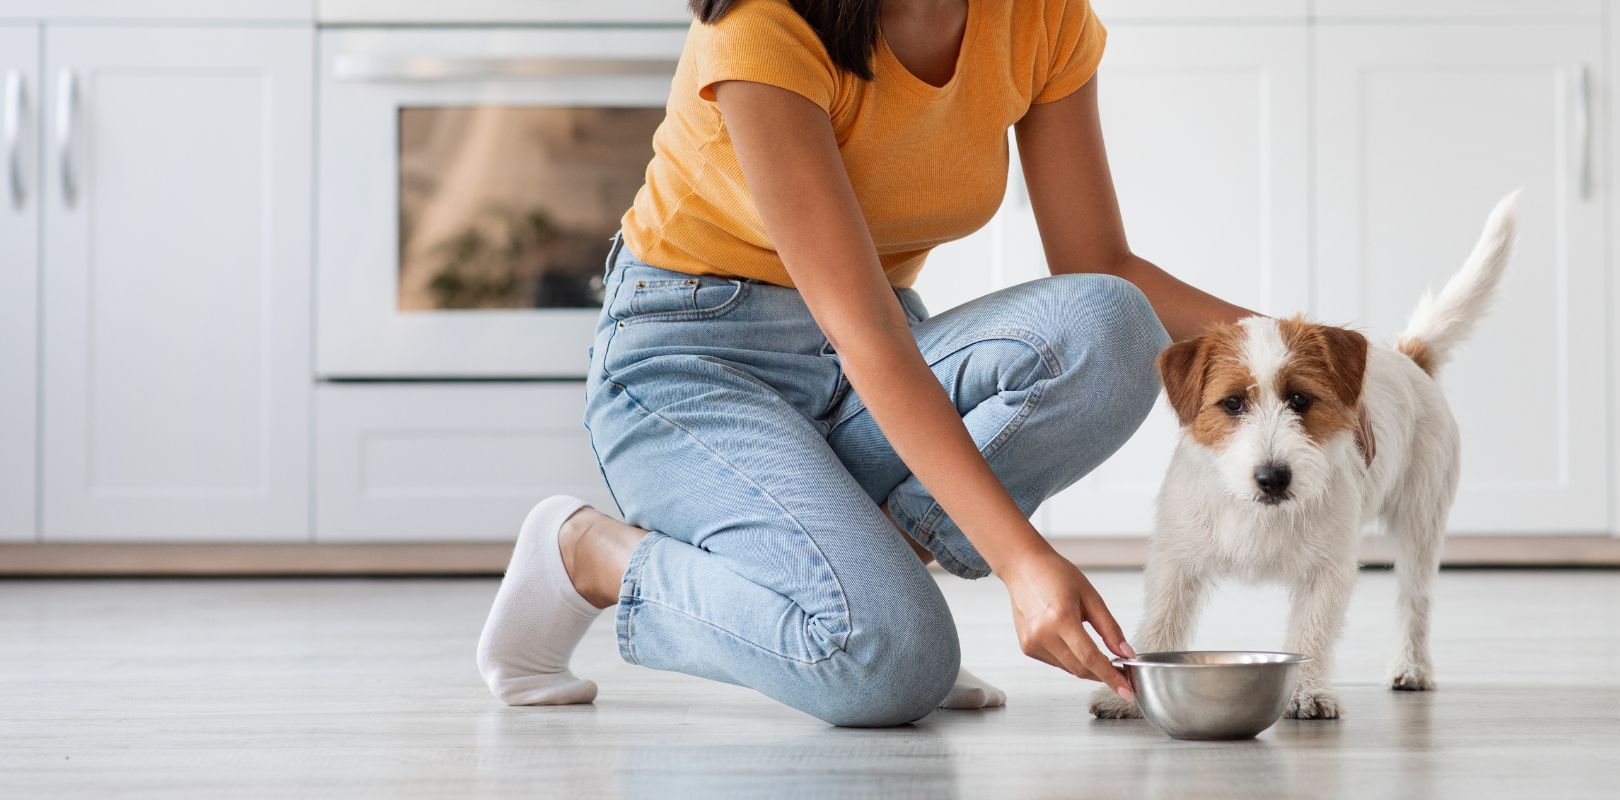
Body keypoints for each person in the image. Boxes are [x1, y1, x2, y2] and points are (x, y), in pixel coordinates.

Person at [478, 0, 1259, 726]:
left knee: (1110, 326)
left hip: (868, 352)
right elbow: (867, 336)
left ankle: (866, 587)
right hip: (693, 363)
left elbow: (1099, 265)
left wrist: (1308, 352)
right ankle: (591, 556)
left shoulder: (1035, 13)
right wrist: (1024, 563)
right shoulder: (765, 21)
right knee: (889, 665)